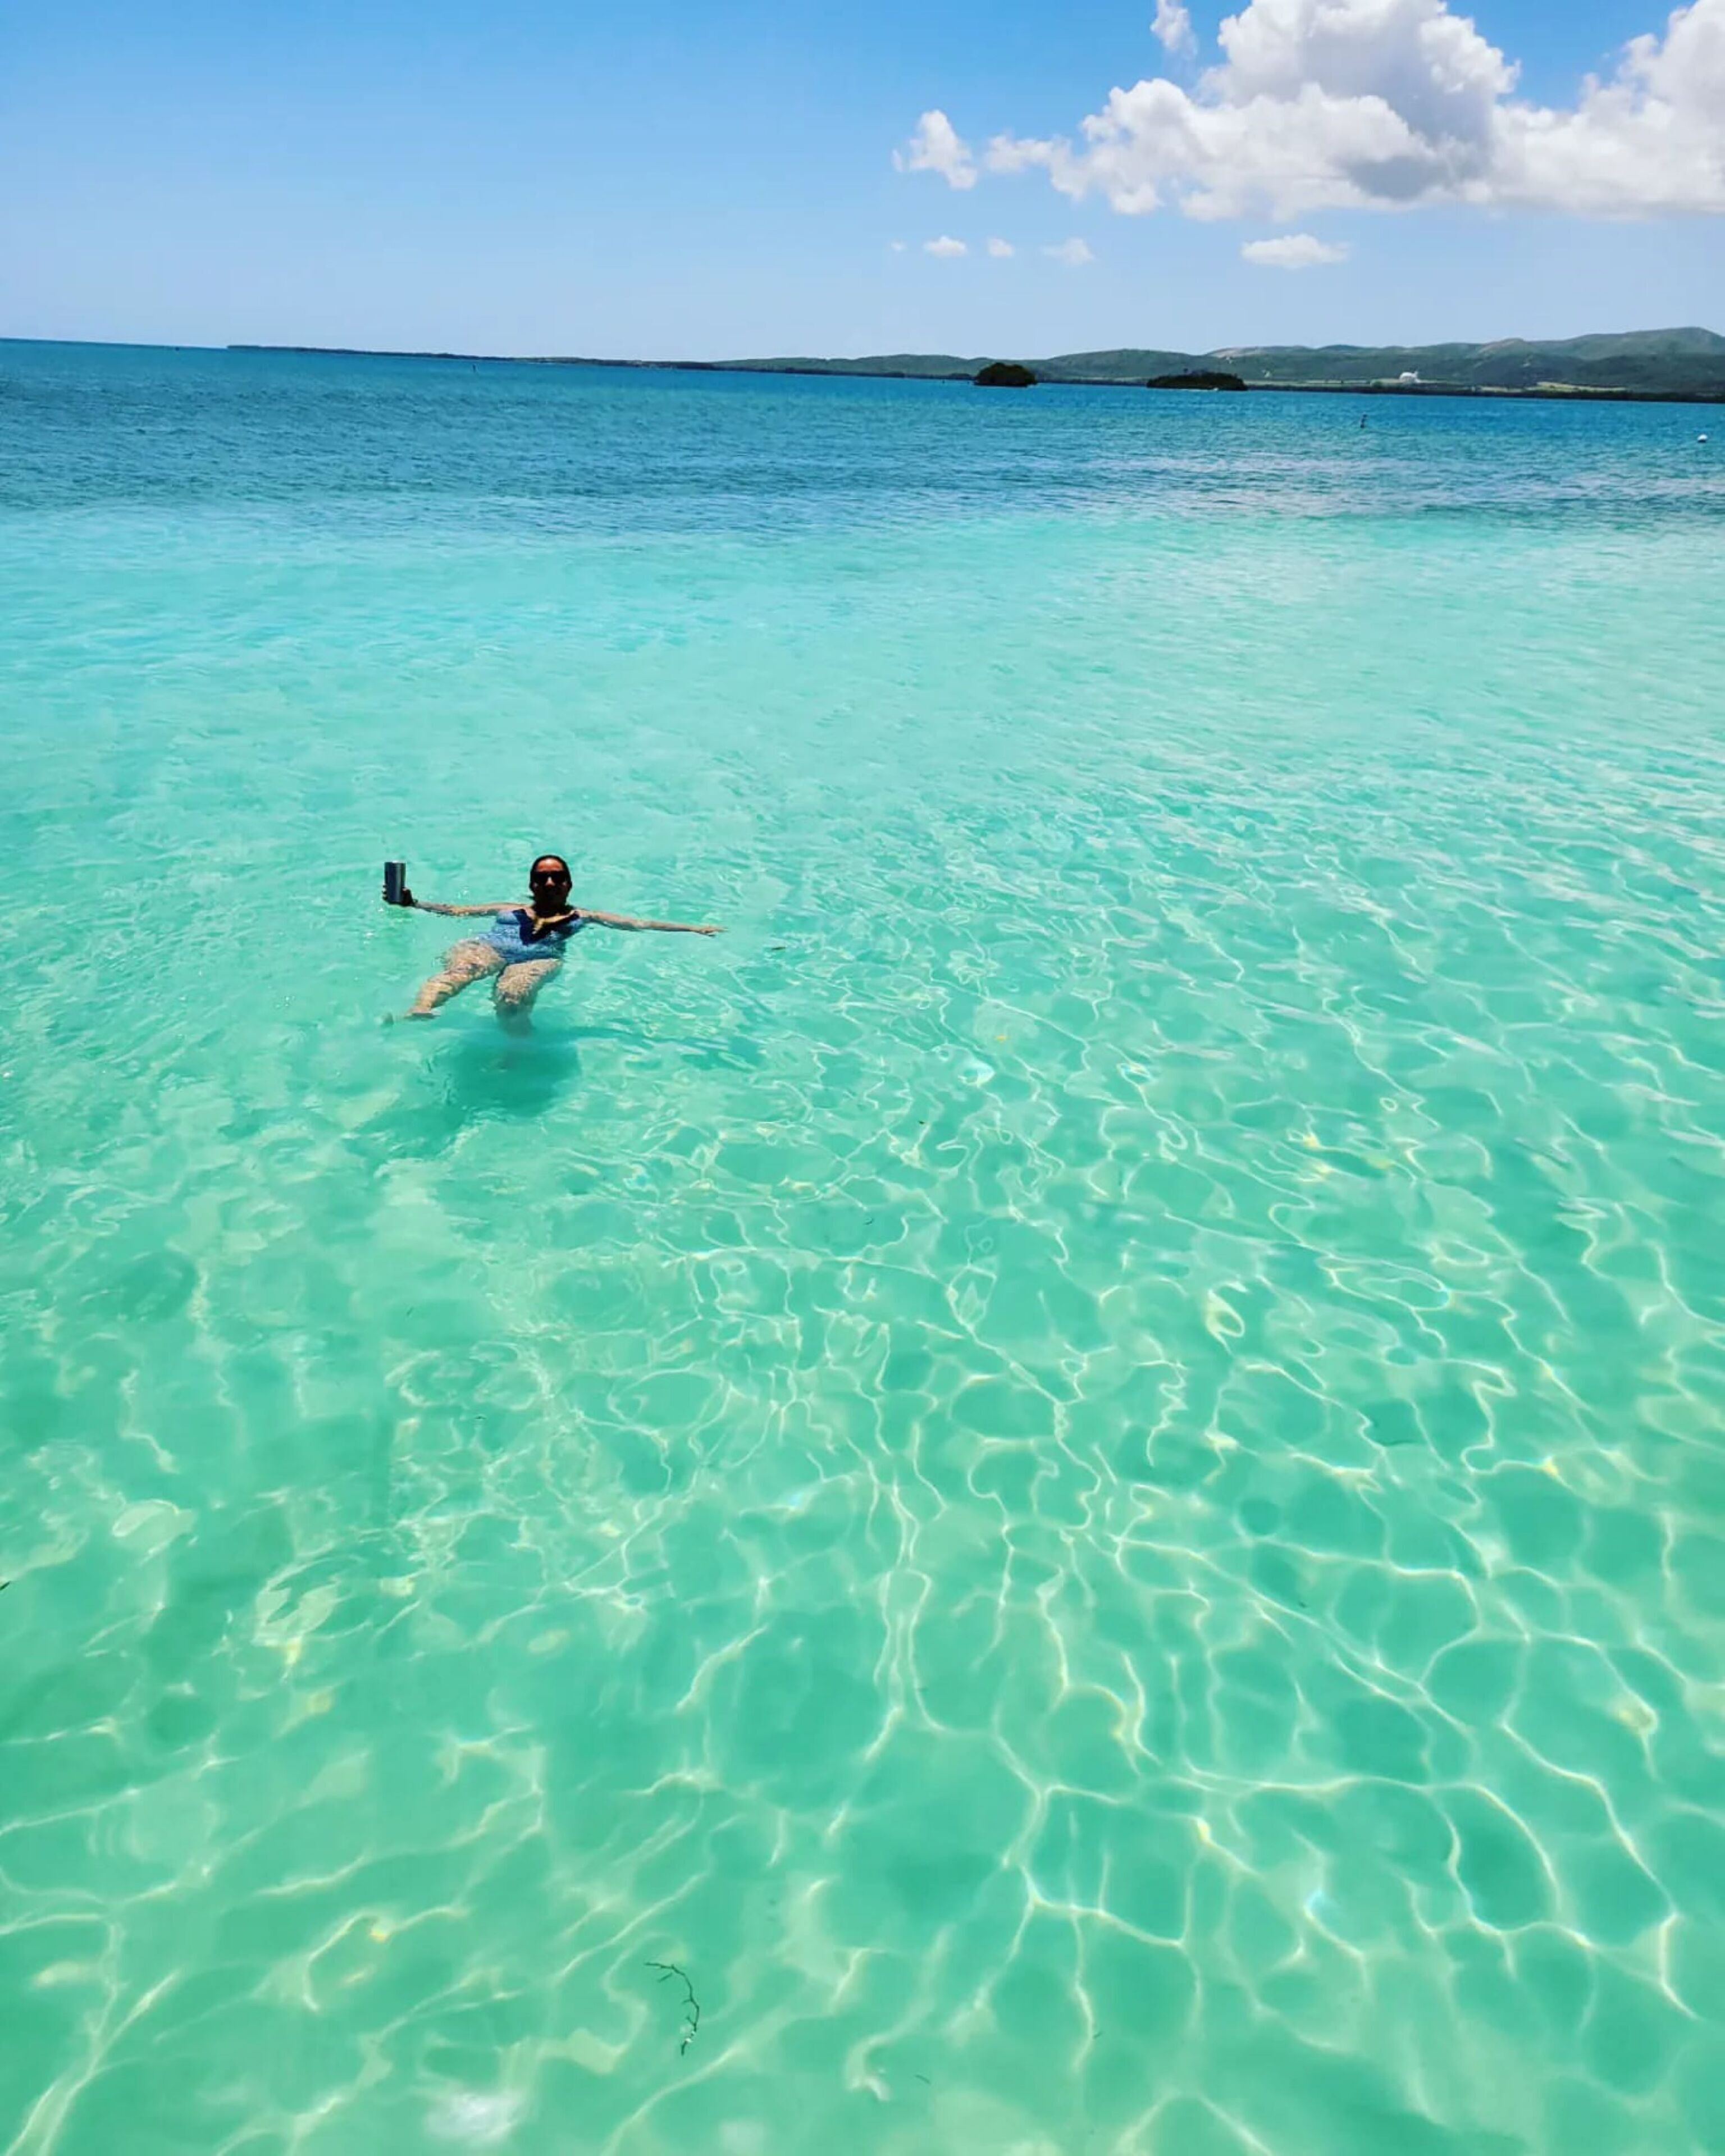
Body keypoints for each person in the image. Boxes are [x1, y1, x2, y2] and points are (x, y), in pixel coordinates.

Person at [386, 854, 720, 1029]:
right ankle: (421, 1009)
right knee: (465, 968)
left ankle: (513, 1049)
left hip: (538, 957)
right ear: (532, 885)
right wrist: (413, 903)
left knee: (513, 996)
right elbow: (456, 910)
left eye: (557, 877)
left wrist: (692, 928)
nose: (550, 882)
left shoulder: (583, 916)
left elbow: (639, 923)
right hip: (490, 946)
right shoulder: (508, 908)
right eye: (542, 878)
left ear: (569, 884)